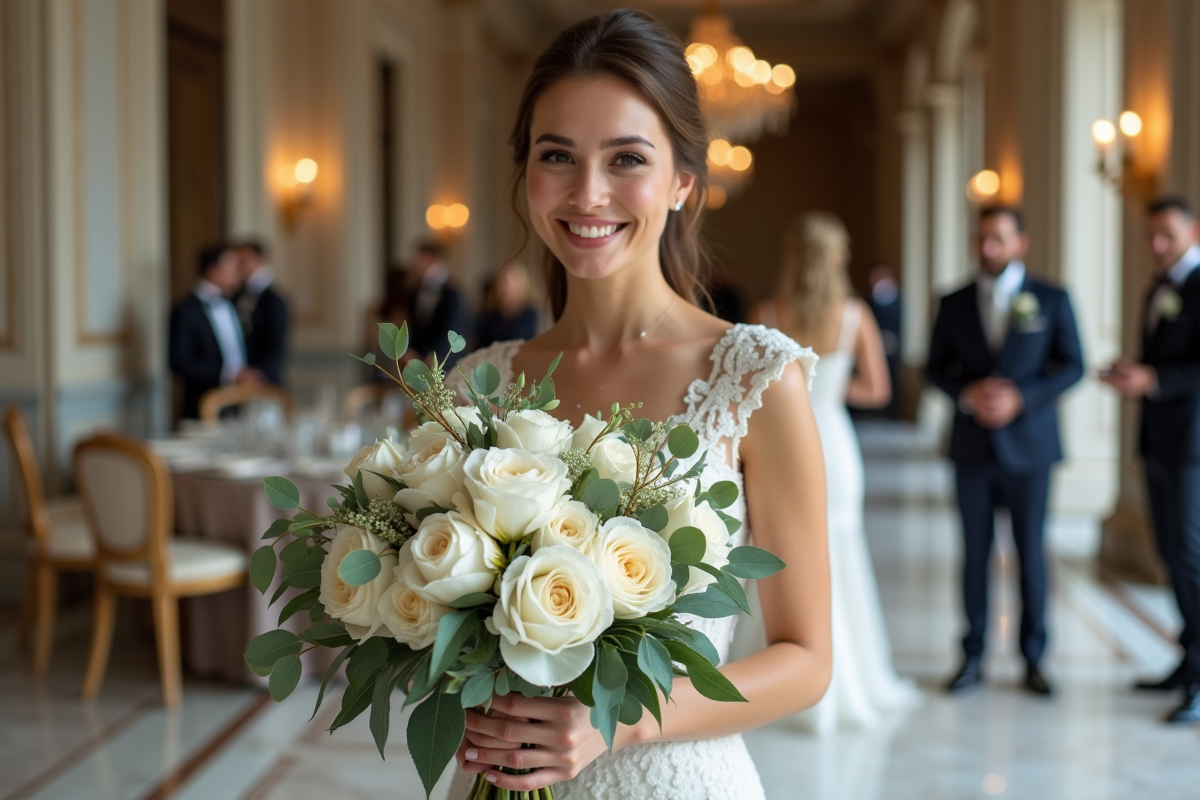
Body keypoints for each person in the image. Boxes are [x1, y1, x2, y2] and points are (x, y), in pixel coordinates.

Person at [445, 10, 831, 798]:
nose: (588, 193)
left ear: (683, 180)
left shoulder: (754, 378)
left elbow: (808, 660)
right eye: (558, 156)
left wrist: (620, 720)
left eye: (627, 158)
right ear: (525, 174)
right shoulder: (471, 386)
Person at [748, 212, 919, 736]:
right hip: (835, 447)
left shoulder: (767, 312)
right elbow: (879, 391)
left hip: (779, 448)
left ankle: (767, 674)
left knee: (775, 549)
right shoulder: (854, 316)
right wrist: (828, 390)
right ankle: (844, 677)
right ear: (838, 257)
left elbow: (750, 395)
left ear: (791, 255)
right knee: (838, 552)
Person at [927, 206, 1084, 697]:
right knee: (973, 554)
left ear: (1021, 242)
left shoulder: (1052, 297)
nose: (988, 248)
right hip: (972, 448)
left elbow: (1073, 365)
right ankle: (971, 655)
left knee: (1031, 553)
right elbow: (934, 369)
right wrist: (966, 393)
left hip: (1031, 449)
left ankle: (1034, 659)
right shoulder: (952, 302)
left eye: (998, 239)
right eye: (981, 239)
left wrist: (1023, 397)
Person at [1101, 196, 1200, 725]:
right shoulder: (1158, 288)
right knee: (1170, 552)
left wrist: (1155, 380)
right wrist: (1135, 372)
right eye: (1152, 235)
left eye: (1167, 234)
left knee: (1192, 555)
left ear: (1193, 230)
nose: (1158, 245)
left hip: (1193, 446)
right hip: (1158, 440)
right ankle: (1189, 660)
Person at [169, 244, 261, 419]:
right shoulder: (185, 310)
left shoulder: (233, 304)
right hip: (201, 404)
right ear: (212, 270)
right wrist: (230, 376)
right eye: (232, 266)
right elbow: (178, 361)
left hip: (240, 403)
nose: (238, 272)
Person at [233, 239, 289, 386]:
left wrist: (258, 374)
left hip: (264, 381)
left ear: (259, 259)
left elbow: (277, 344)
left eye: (242, 261)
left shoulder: (274, 300)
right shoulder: (238, 295)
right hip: (238, 379)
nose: (238, 266)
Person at [407, 240, 467, 368]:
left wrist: (424, 355)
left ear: (430, 260)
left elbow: (451, 332)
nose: (415, 265)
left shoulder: (452, 295)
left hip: (445, 364)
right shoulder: (414, 294)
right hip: (419, 365)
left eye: (419, 260)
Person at [475, 261, 541, 348]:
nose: (504, 288)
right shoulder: (489, 317)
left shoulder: (530, 315)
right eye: (501, 283)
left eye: (508, 283)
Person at [867, 264, 902, 419]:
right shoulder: (869, 301)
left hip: (893, 349)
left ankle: (892, 414)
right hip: (874, 345)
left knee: (892, 381)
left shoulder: (899, 300)